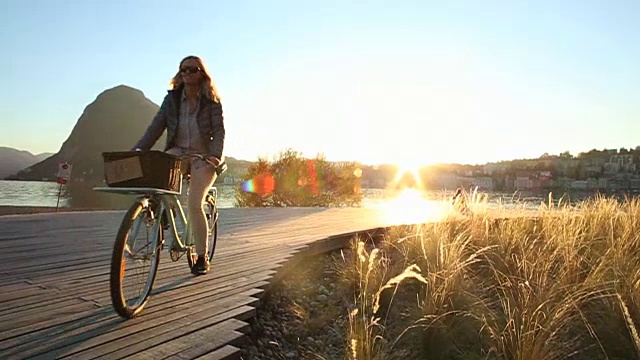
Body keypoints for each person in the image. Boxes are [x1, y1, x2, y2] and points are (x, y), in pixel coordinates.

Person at [134, 55, 225, 275]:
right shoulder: (172, 100)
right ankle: (162, 211)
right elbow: (156, 127)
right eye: (183, 69)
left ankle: (202, 256)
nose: (186, 73)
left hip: (203, 156)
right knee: (157, 180)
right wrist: (138, 150)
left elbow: (219, 132)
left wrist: (214, 156)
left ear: (201, 73)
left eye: (192, 69)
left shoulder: (211, 102)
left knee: (195, 203)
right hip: (178, 152)